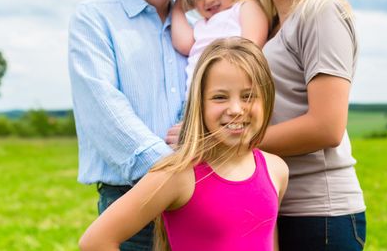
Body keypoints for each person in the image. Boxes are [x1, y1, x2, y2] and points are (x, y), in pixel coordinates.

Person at [79, 37, 289, 251]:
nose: (235, 109)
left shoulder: (276, 169)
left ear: (267, 99)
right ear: (199, 104)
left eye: (248, 96)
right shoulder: (177, 175)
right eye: (219, 97)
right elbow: (95, 241)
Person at [242, 0, 366, 250]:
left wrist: (231, 142)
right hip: (278, 209)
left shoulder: (321, 10)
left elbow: (327, 127)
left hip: (320, 216)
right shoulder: (275, 24)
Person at [68, 0, 193, 250]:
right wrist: (175, 174)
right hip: (131, 209)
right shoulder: (94, 20)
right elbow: (105, 112)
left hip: (197, 208)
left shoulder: (197, 32)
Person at [170, 0, 268, 97]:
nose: (208, 0)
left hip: (230, 95)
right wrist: (178, 6)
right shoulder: (202, 24)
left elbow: (251, 46)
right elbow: (182, 44)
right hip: (195, 104)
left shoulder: (245, 7)